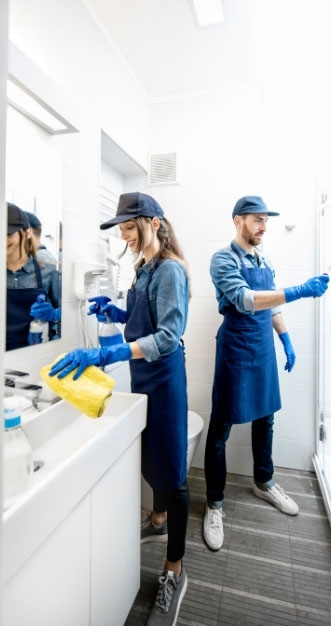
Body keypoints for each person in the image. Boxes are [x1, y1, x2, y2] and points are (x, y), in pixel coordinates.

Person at [49, 192, 190, 626]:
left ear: (153, 223)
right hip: (146, 378)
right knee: (151, 460)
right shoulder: (143, 269)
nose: (126, 236)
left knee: (172, 471)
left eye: (131, 227)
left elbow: (168, 336)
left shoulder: (169, 269)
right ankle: (158, 518)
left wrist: (106, 355)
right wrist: (113, 309)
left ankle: (175, 570)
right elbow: (141, 318)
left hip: (164, 381)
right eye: (122, 229)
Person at [203, 195, 329, 551]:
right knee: (220, 428)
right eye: (257, 220)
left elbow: (271, 304)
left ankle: (265, 481)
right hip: (235, 349)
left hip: (262, 349)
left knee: (266, 419)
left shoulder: (265, 260)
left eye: (265, 221)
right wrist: (299, 291)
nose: (263, 227)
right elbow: (245, 299)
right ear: (238, 221)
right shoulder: (223, 259)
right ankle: (214, 503)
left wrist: (286, 339)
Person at [6, 202, 61, 350]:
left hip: (37, 352)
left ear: (27, 232)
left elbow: (64, 316)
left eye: (8, 234)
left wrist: (56, 316)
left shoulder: (49, 271)